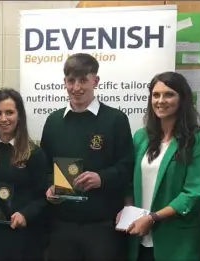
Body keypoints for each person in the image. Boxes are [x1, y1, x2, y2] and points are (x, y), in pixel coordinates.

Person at [40, 53, 134, 260]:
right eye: (71, 80)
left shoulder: (116, 120)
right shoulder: (53, 121)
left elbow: (127, 166)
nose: (77, 87)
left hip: (102, 226)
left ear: (95, 81)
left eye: (83, 80)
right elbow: (44, 167)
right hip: (61, 226)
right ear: (64, 82)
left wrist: (102, 178)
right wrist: (49, 187)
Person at [122, 71, 200, 261]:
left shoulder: (198, 139)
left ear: (182, 99)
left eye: (169, 94)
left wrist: (152, 217)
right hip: (138, 236)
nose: (161, 100)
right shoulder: (141, 136)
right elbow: (128, 180)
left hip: (177, 239)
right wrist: (129, 210)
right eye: (156, 95)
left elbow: (192, 192)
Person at [0, 88, 48, 261]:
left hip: (22, 237)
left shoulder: (34, 153)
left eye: (9, 112)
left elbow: (43, 197)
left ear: (19, 116)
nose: (3, 119)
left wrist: (25, 215)